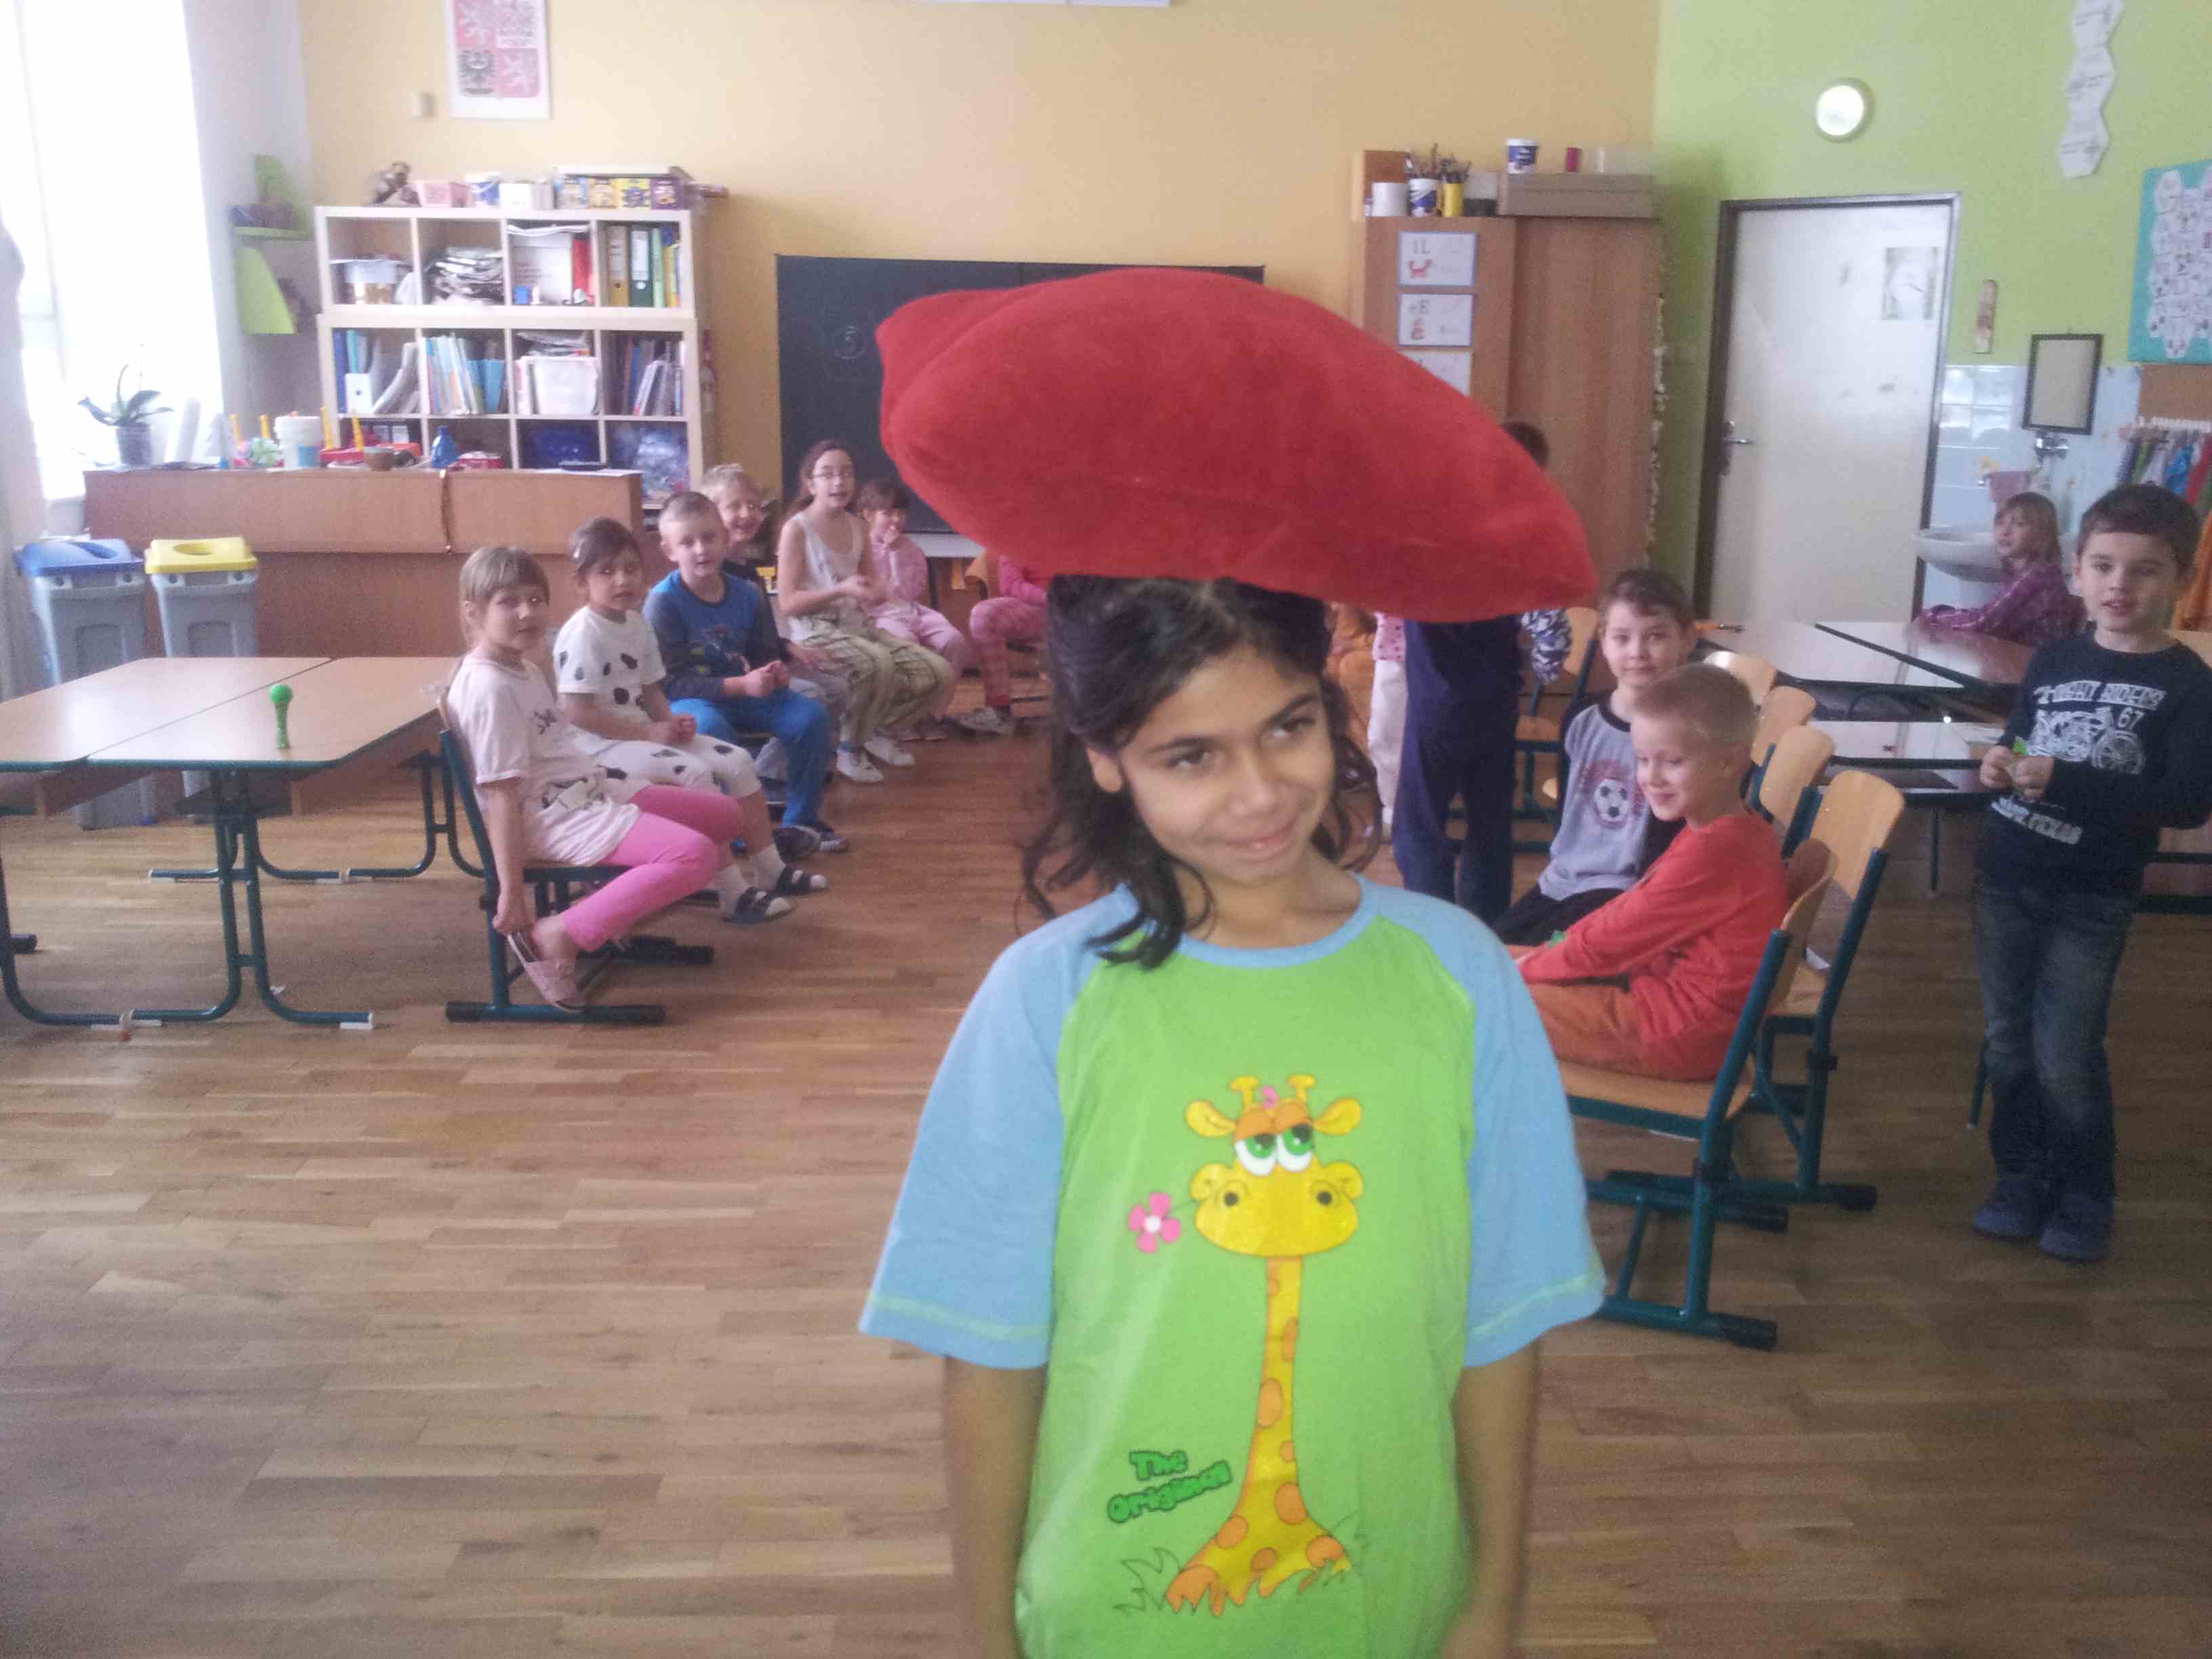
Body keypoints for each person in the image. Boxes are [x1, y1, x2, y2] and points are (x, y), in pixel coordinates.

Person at [861, 575, 1602, 1659]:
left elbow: (1500, 1323)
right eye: (1191, 757)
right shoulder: (1046, 999)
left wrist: (1493, 1599)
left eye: (1288, 728)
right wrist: (983, 1632)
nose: (1260, 794)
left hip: (1392, 1606)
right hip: (1111, 1618)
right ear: (1107, 758)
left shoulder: (1461, 975)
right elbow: (988, 1354)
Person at [1969, 483, 2212, 1263]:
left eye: (2145, 570)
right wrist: (2001, 761)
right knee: (2006, 1042)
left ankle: (2084, 1193)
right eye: (2104, 566)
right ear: (2076, 570)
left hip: (2093, 892)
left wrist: (2065, 780)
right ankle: (2019, 1177)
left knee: (2066, 1051)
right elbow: (2022, 735)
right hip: (2008, 871)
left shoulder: (2190, 684)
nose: (2120, 585)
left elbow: (2186, 802)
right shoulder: (2055, 658)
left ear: (2182, 579)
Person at [444, 547, 794, 1010]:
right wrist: (510, 894)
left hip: (585, 790)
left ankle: (608, 910)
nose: (527, 613)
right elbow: (502, 798)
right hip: (551, 817)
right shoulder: (488, 688)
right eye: (509, 602)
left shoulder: (522, 667)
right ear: (474, 612)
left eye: (535, 599)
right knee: (693, 857)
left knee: (727, 816)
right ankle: (557, 935)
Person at [1513, 663, 1785, 1081]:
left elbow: (1607, 944)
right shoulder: (1727, 827)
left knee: (1482, 997)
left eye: (1672, 762)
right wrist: (1543, 953)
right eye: (1642, 759)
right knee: (1490, 963)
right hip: (1669, 1005)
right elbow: (1622, 915)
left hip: (1676, 1032)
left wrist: (1526, 969)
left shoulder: (1715, 851)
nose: (1650, 778)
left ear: (1729, 763)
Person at [552, 516, 826, 902]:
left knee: (737, 761)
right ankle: (732, 892)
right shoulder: (584, 632)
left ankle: (769, 869)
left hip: (640, 734)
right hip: (600, 747)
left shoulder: (636, 623)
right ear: (582, 583)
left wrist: (669, 721)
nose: (622, 580)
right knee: (696, 772)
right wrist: (647, 732)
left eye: (630, 569)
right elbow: (576, 712)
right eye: (607, 572)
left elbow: (651, 688)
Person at [1494, 569, 1695, 945]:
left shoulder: (1690, 732)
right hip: (1563, 879)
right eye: (1622, 637)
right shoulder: (1580, 718)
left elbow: (1676, 843)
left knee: (1532, 962)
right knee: (1492, 947)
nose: (1637, 652)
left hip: (1627, 892)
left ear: (1686, 639)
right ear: (1603, 641)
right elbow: (1569, 810)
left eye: (1656, 636)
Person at [643, 491, 848, 854]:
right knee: (711, 728)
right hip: (691, 699)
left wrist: (775, 673)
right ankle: (737, 828)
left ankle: (801, 821)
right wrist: (742, 684)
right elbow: (669, 683)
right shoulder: (663, 601)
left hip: (742, 693)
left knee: (810, 717)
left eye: (709, 538)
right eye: (687, 542)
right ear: (669, 551)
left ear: (725, 538)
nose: (701, 550)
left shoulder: (749, 593)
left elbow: (763, 655)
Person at [775, 439, 956, 779]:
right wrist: (841, 589)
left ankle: (876, 731)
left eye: (847, 473)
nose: (839, 482)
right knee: (878, 664)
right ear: (811, 484)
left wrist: (877, 591)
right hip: (816, 630)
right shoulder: (797, 529)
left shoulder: (859, 527)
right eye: (828, 474)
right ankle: (850, 749)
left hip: (858, 627)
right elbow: (788, 603)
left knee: (938, 672)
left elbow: (871, 589)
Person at [698, 463, 855, 756]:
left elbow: (760, 633)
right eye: (734, 506)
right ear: (711, 514)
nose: (747, 514)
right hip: (740, 676)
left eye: (753, 506)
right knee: (814, 694)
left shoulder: (748, 570)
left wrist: (788, 648)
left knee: (838, 687)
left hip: (766, 664)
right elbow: (725, 640)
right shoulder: (713, 574)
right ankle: (772, 769)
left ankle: (798, 759)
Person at [855, 474, 995, 739]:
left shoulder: (912, 549)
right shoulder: (860, 550)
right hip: (879, 616)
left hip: (911, 610)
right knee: (906, 643)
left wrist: (897, 553)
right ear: (868, 515)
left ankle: (932, 716)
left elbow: (910, 592)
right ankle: (902, 719)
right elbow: (874, 596)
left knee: (954, 641)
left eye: (901, 513)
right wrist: (890, 554)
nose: (896, 520)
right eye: (887, 513)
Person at [1920, 490, 2085, 647]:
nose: (2005, 531)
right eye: (2000, 523)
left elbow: (1981, 622)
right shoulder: (2034, 570)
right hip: (2025, 653)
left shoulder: (2035, 576)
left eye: (2019, 524)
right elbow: (1990, 616)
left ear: (2042, 535)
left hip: (2031, 660)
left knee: (1941, 637)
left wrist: (1934, 615)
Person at [962, 548, 1050, 736]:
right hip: (1039, 608)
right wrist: (1049, 598)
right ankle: (999, 710)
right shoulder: (1016, 539)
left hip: (1083, 609)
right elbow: (1012, 585)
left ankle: (1099, 713)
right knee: (984, 615)